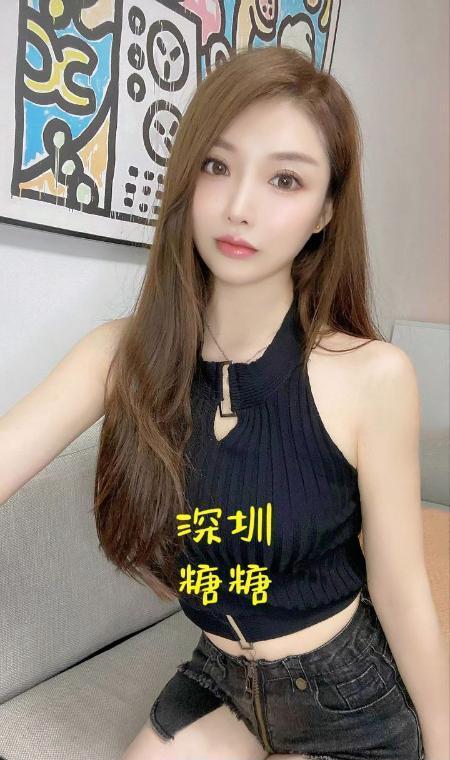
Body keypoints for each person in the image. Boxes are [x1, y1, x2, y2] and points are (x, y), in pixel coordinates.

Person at [1, 46, 448, 760]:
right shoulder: (120, 357)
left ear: (325, 211)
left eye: (285, 179)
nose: (240, 206)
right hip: (222, 678)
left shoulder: (372, 376)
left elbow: (400, 589)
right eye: (217, 165)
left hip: (344, 696)